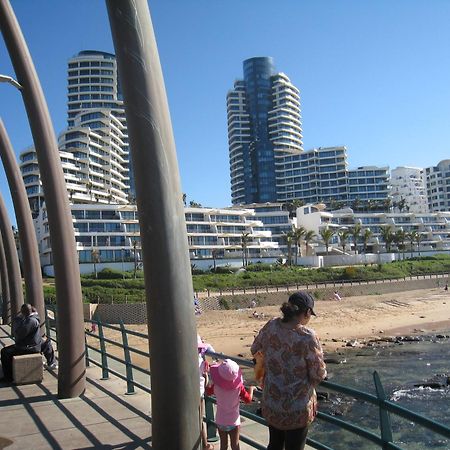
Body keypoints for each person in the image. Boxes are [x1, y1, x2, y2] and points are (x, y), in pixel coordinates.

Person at [251, 292, 327, 450]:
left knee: (275, 445)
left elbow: (255, 349)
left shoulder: (271, 325)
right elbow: (317, 374)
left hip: (272, 401)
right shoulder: (307, 337)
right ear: (306, 312)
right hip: (297, 407)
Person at [207, 359, 255, 450]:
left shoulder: (216, 386)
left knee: (223, 445)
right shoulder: (238, 387)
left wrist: (206, 378)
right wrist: (251, 389)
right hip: (234, 421)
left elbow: (208, 392)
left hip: (221, 420)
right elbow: (248, 400)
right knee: (235, 445)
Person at [1, 304, 42, 382]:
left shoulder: (30, 321)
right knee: (7, 351)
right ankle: (10, 374)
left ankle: (8, 377)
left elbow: (19, 335)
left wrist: (17, 322)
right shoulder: (32, 319)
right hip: (30, 345)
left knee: (5, 352)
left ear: (23, 312)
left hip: (29, 347)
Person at [198, 335, 215, 450]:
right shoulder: (200, 361)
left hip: (184, 391)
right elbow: (206, 380)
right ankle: (205, 445)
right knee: (199, 419)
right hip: (198, 391)